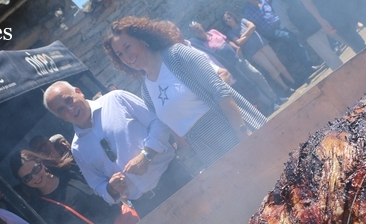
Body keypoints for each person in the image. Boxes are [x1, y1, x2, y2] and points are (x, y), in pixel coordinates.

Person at [104, 17, 267, 169]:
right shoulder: (146, 91)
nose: (126, 56)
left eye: (127, 47)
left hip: (233, 128)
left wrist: (243, 132)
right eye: (120, 54)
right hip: (208, 150)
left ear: (142, 39)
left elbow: (220, 91)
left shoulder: (177, 55)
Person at [44, 81, 193, 217]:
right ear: (59, 117)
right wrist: (111, 188)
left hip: (174, 177)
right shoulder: (77, 148)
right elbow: (97, 185)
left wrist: (146, 154)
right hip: (146, 205)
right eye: (62, 109)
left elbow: (158, 122)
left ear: (78, 91)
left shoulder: (116, 99)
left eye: (69, 100)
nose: (70, 109)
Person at [11, 152, 122, 224]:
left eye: (35, 169)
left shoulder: (69, 171)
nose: (35, 177)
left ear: (41, 163)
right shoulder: (41, 209)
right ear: (23, 182)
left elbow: (104, 188)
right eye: (27, 177)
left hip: (123, 223)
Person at [187, 21, 285, 113]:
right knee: (251, 85)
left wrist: (237, 48)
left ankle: (275, 97)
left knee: (257, 75)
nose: (197, 30)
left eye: (197, 27)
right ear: (193, 33)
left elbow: (227, 41)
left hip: (239, 59)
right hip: (231, 68)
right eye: (194, 30)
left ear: (201, 25)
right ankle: (271, 104)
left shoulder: (213, 32)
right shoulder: (200, 44)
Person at [222, 12, 297, 94]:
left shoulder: (243, 21)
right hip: (253, 52)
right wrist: (249, 32)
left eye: (229, 17)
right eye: (226, 20)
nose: (228, 20)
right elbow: (239, 42)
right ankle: (286, 87)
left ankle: (293, 81)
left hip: (262, 44)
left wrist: (243, 35)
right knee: (271, 69)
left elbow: (253, 26)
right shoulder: (230, 33)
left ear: (233, 16)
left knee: (277, 63)